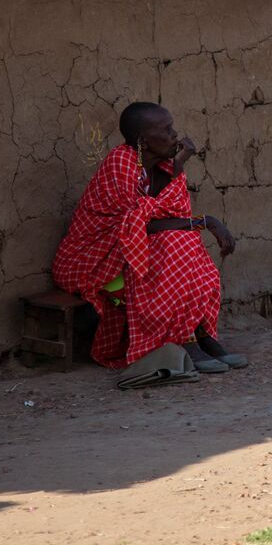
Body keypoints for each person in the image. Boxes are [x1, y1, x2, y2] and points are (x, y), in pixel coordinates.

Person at [53, 101, 246, 373]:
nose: (175, 135)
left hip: (132, 254)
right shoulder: (121, 161)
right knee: (174, 242)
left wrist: (179, 166)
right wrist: (207, 222)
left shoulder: (164, 167)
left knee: (184, 243)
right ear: (143, 140)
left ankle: (200, 334)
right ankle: (182, 340)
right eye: (166, 130)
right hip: (92, 261)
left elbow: (174, 213)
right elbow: (135, 225)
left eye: (172, 128)